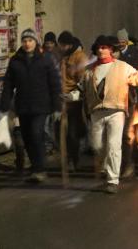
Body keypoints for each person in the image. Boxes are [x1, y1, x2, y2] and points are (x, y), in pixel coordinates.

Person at [80, 35, 138, 194]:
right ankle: (105, 166)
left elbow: (136, 78)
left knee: (114, 145)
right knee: (97, 145)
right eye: (99, 48)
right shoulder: (89, 70)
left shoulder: (123, 67)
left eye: (104, 47)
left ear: (111, 50)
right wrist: (69, 96)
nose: (101, 50)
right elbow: (82, 90)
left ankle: (112, 179)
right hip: (96, 111)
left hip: (116, 110)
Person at [0, 29, 61, 183]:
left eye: (30, 41)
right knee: (27, 137)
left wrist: (57, 105)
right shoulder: (16, 61)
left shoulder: (45, 59)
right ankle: (35, 166)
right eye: (25, 41)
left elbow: (54, 83)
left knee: (36, 134)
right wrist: (5, 103)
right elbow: (8, 83)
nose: (27, 44)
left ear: (36, 42)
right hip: (23, 105)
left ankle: (40, 169)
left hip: (41, 105)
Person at [117, 28, 138, 179]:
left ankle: (128, 164)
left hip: (129, 97)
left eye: (123, 40)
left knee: (126, 134)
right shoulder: (113, 54)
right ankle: (119, 165)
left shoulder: (136, 55)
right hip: (115, 98)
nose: (120, 43)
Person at [57, 31, 87, 172]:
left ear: (68, 45)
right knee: (60, 130)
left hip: (73, 100)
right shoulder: (62, 56)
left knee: (72, 132)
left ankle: (73, 159)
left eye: (62, 45)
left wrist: (76, 93)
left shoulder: (79, 57)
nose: (60, 48)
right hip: (61, 98)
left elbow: (83, 79)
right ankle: (67, 157)